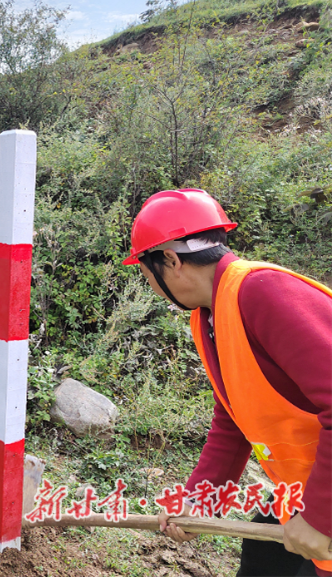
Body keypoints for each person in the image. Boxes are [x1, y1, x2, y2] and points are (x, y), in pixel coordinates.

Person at [123, 189, 331, 577]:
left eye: (145, 272)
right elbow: (235, 415)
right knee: (263, 557)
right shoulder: (212, 315)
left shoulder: (262, 293)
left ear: (170, 260)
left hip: (324, 495)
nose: (150, 285)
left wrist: (321, 516)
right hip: (303, 484)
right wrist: (200, 499)